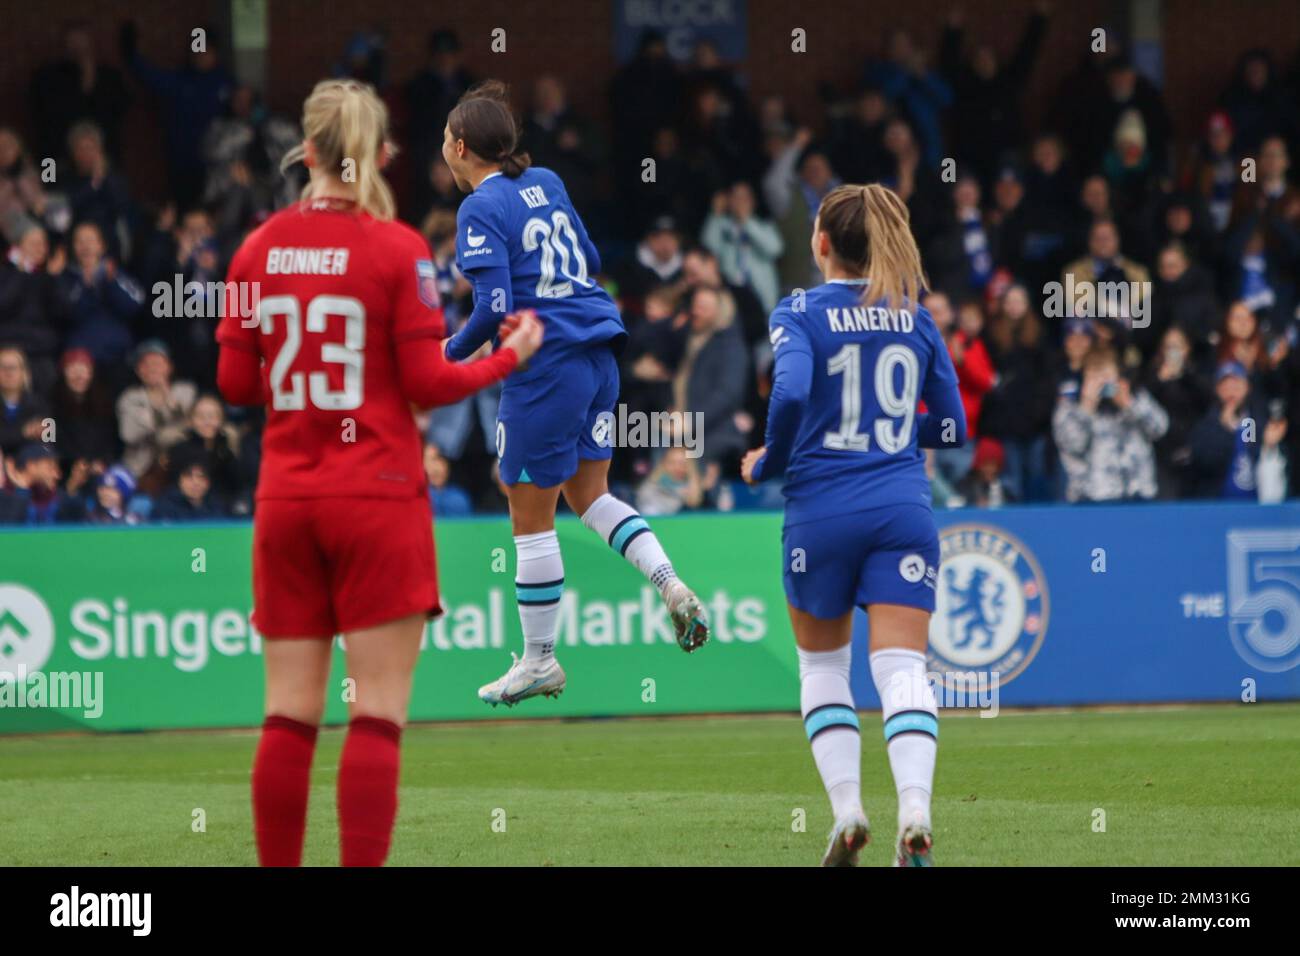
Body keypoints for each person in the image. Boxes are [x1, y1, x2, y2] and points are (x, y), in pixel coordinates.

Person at [214, 79, 543, 868]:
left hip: (288, 497)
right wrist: (509, 356)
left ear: (308, 148)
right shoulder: (396, 250)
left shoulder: (257, 248)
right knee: (376, 717)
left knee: (288, 718)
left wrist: (300, 392)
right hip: (378, 497)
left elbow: (233, 386)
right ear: (381, 153)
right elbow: (429, 384)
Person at [440, 80, 710, 709]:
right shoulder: (550, 183)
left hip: (547, 364)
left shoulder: (479, 207)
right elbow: (587, 257)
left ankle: (539, 661)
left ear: (459, 148)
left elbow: (495, 306)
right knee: (591, 497)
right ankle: (668, 582)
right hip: (597, 353)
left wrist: (446, 354)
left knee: (529, 519)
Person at [741, 184, 966, 867]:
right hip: (902, 510)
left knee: (822, 668)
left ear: (820, 244)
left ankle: (847, 812)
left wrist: (767, 461)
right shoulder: (914, 315)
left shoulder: (800, 311)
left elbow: (793, 392)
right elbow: (952, 424)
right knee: (902, 668)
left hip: (821, 513)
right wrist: (891, 430)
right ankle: (918, 812)